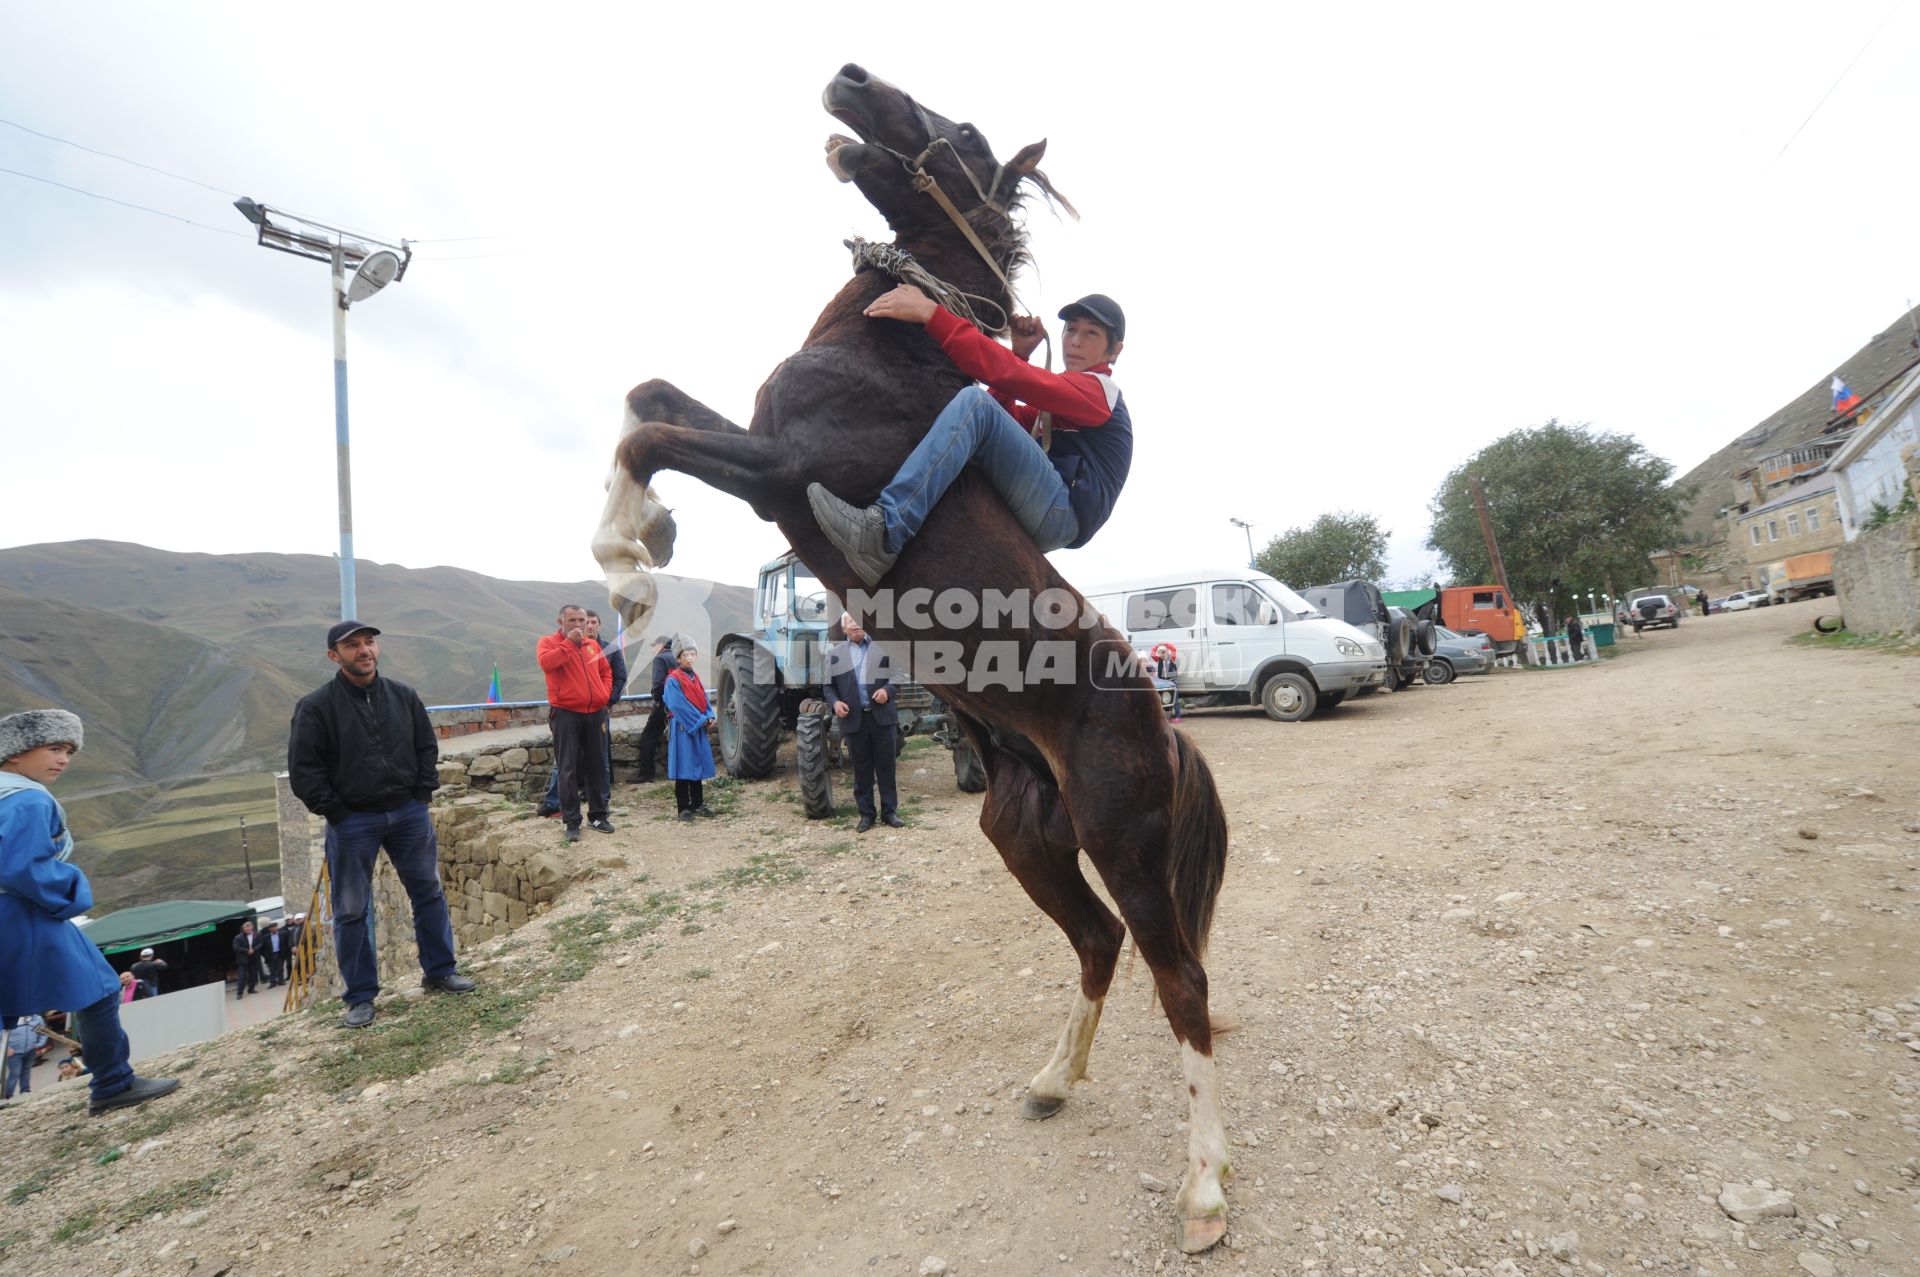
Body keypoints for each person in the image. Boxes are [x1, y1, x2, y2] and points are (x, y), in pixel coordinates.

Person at [808, 289, 1132, 586]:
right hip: (1049, 507)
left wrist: (932, 315)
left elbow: (1003, 385)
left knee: (974, 404)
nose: (1075, 341)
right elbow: (1007, 423)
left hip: (1062, 514)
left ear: (1114, 350)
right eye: (1071, 329)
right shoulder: (1069, 400)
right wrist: (1019, 353)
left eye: (1091, 333)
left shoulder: (1101, 392)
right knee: (974, 416)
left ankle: (883, 533)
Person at [288, 620, 477, 1030]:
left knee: (428, 893)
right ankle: (359, 997)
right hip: (353, 821)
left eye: (369, 642)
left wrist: (422, 794)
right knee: (352, 910)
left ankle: (440, 970)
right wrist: (337, 813)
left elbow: (426, 747)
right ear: (333, 655)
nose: (364, 650)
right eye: (352, 645)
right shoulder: (316, 707)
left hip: (408, 814)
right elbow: (304, 770)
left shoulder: (402, 696)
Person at [0, 709, 181, 1115]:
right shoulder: (26, 798)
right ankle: (114, 1084)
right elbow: (22, 867)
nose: (63, 759)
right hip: (22, 912)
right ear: (14, 753)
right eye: (54, 748)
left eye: (68, 751)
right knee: (98, 989)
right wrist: (72, 893)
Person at [537, 610, 628, 815]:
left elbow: (609, 674)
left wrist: (604, 697)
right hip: (565, 712)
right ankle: (570, 818)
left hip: (596, 711)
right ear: (560, 621)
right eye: (573, 620)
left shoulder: (596, 646)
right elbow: (547, 663)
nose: (580, 624)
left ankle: (599, 813)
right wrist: (569, 643)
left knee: (597, 764)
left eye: (583, 620)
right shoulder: (548, 642)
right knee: (566, 767)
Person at [823, 613, 902, 832]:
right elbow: (828, 688)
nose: (856, 625)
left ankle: (890, 813)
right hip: (854, 720)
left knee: (886, 767)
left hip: (882, 719)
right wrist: (836, 703)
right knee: (862, 770)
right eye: (851, 622)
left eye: (859, 621)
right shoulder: (835, 655)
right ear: (844, 628)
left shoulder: (884, 647)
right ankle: (866, 815)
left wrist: (887, 690)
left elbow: (897, 675)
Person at [661, 640, 717, 822]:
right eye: (685, 655)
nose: (690, 658)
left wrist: (710, 715)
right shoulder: (673, 679)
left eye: (693, 654)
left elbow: (703, 699)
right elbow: (677, 704)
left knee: (696, 764)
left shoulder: (694, 676)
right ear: (678, 658)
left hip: (697, 726)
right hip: (683, 727)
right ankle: (683, 807)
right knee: (684, 766)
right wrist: (701, 719)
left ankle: (698, 803)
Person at [634, 635, 675, 783]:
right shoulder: (677, 656)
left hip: (663, 704)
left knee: (648, 736)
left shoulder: (660, 658)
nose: (653, 649)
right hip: (678, 704)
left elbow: (658, 684)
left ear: (661, 645)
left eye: (654, 645)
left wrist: (657, 699)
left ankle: (646, 774)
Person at [3, 1013, 45, 1100]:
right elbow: (1, 1035)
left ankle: (25, 1091)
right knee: (15, 1073)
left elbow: (43, 1032)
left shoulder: (37, 1018)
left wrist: (39, 1044)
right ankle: (7, 1095)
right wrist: (6, 1047)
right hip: (14, 1053)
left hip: (30, 1050)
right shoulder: (8, 1019)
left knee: (26, 1071)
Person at [1150, 642, 1182, 722]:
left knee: (1175, 700)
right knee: (1165, 700)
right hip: (1164, 684)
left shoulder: (1171, 658)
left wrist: (1165, 644)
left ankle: (1178, 716)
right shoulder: (1158, 660)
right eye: (1160, 652)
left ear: (1167, 652)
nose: (1162, 654)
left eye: (1164, 652)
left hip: (1172, 682)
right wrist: (1157, 645)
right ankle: (1166, 717)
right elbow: (1152, 653)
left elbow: (1173, 649)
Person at [231, 920, 262, 999]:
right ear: (243, 929)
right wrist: (247, 950)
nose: (248, 929)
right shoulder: (238, 937)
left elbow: (261, 943)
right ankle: (239, 993)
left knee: (253, 975)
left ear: (252, 927)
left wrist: (254, 949)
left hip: (253, 958)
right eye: (246, 928)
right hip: (242, 960)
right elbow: (236, 947)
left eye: (249, 928)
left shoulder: (257, 935)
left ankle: (251, 989)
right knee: (242, 976)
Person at [262, 919, 290, 988]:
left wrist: (286, 952)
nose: (274, 928)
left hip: (280, 953)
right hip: (270, 955)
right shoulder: (265, 937)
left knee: (280, 968)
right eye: (272, 927)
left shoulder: (283, 934)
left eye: (275, 927)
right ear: (269, 929)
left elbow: (287, 943)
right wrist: (265, 955)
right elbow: (263, 948)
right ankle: (273, 982)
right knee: (272, 969)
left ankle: (280, 980)